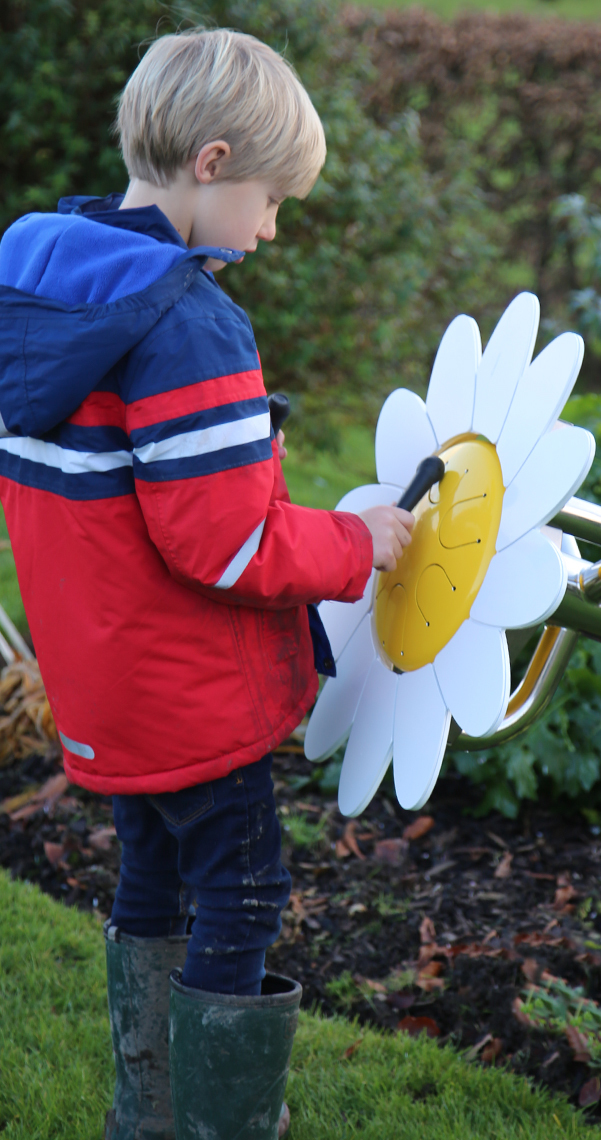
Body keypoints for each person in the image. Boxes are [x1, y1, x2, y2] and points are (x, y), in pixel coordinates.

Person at [0, 27, 414, 1140]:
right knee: (239, 894)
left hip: (107, 689)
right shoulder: (185, 323)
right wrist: (356, 542)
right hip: (193, 695)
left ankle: (147, 1117)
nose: (272, 232)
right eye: (274, 201)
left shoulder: (45, 276)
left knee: (149, 875)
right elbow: (225, 547)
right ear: (216, 164)